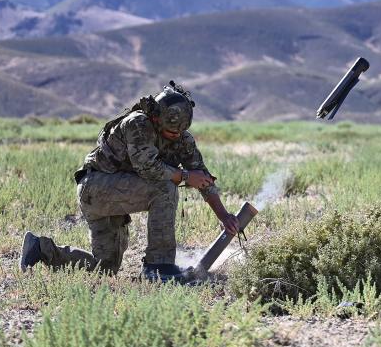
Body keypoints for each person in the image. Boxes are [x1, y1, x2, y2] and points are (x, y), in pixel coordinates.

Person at [19, 81, 239, 281]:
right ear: (156, 118)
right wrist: (185, 177)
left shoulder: (182, 138)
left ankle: (41, 248)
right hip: (96, 189)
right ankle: (158, 266)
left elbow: (202, 176)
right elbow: (149, 167)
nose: (175, 136)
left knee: (105, 268)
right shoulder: (137, 124)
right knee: (165, 189)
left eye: (180, 132)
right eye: (170, 131)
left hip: (117, 197)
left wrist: (224, 216)